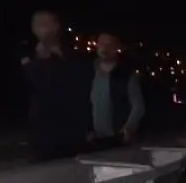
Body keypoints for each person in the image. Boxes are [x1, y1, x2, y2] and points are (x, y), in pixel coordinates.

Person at [21, 10, 94, 161]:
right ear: (34, 29)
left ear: (58, 26)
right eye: (41, 25)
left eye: (50, 24)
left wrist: (88, 125)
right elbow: (31, 88)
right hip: (45, 131)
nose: (47, 29)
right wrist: (40, 62)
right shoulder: (29, 57)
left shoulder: (73, 55)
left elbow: (82, 90)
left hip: (73, 129)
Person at [89, 32, 146, 148]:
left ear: (117, 48)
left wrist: (128, 128)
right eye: (102, 44)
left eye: (109, 45)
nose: (105, 48)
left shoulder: (127, 75)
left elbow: (138, 105)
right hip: (92, 140)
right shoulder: (87, 72)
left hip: (117, 140)